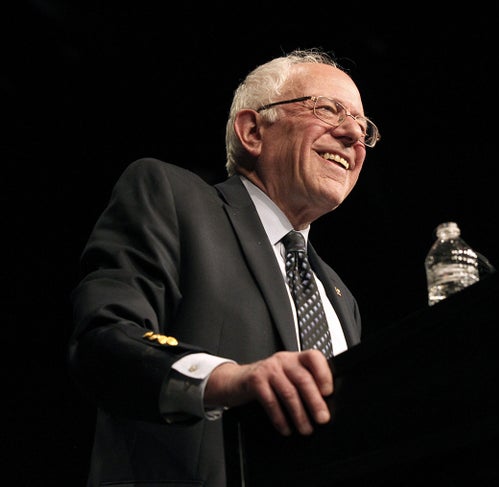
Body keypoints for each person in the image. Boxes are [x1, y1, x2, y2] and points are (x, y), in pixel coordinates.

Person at [68, 47, 380, 487]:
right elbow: (103, 341)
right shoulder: (172, 198)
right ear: (253, 131)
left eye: (363, 126)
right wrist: (226, 378)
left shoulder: (341, 298)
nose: (352, 133)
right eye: (328, 109)